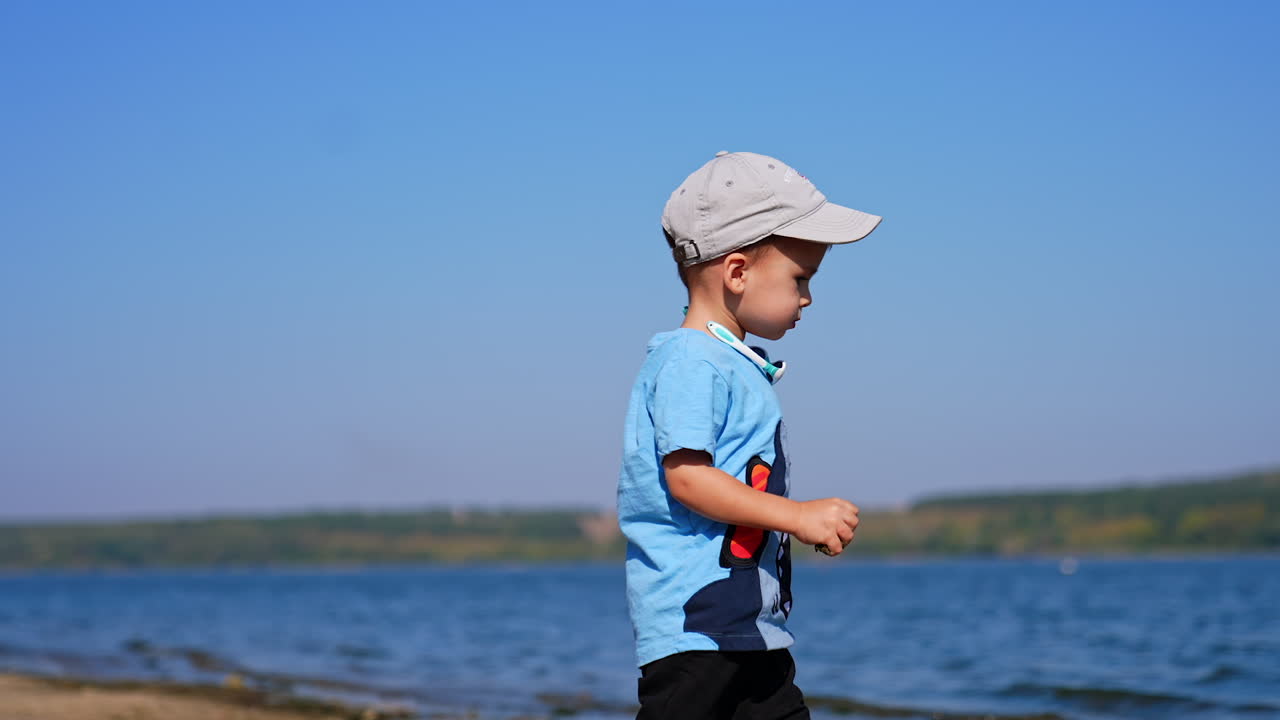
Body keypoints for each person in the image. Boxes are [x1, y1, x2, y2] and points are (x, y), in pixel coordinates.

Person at [617, 150, 882, 719]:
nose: (807, 297)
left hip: (750, 629)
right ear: (737, 273)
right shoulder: (692, 360)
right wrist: (798, 516)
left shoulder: (730, 361)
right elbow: (688, 479)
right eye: (800, 278)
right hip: (696, 633)